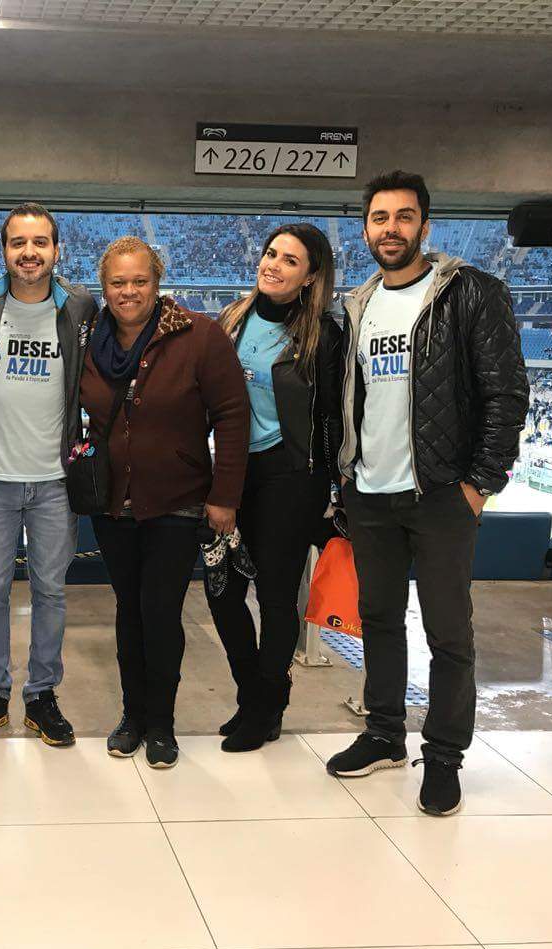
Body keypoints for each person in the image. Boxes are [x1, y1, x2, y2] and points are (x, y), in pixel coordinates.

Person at [326, 171, 529, 816]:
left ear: (425, 226)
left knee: (448, 633)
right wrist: (346, 479)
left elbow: (506, 393)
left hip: (442, 492)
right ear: (366, 228)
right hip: (370, 491)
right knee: (378, 620)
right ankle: (384, 733)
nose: (391, 229)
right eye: (380, 218)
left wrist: (480, 484)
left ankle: (443, 758)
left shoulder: (470, 294)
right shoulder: (358, 305)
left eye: (403, 217)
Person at [80, 236, 249, 768]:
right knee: (129, 612)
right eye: (117, 282)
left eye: (139, 280)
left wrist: (225, 496)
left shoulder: (199, 336)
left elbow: (232, 417)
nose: (128, 291)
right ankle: (132, 716)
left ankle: (162, 724)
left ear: (157, 281)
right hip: (113, 503)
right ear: (102, 287)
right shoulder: (89, 341)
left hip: (177, 501)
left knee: (160, 612)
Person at [0, 203, 97, 746]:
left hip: (54, 481)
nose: (29, 253)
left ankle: (42, 694)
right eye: (18, 243)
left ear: (56, 250)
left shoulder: (80, 306)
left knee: (51, 592)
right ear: (4, 249)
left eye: (39, 243)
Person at [208, 223, 343, 752]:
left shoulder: (321, 336)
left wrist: (335, 487)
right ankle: (256, 696)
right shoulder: (233, 320)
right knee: (222, 593)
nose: (274, 264)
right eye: (270, 253)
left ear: (310, 276)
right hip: (235, 473)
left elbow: (332, 417)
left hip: (290, 476)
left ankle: (265, 708)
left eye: (290, 260)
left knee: (276, 598)